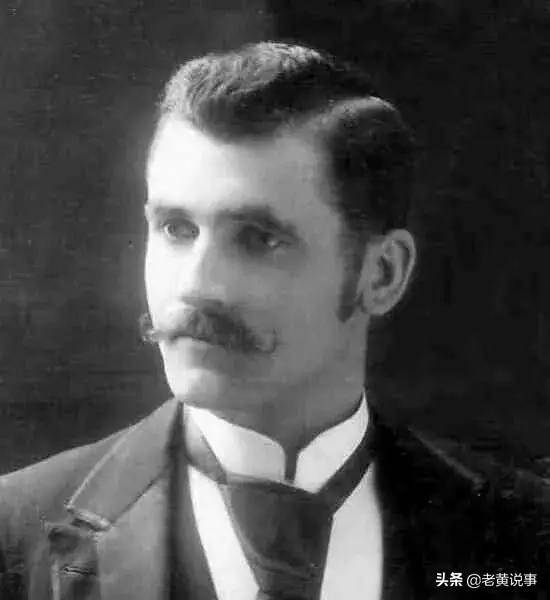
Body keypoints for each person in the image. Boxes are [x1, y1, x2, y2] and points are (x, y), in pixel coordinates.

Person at [0, 41, 548, 600]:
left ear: (382, 274)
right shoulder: (15, 537)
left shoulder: (525, 537)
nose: (195, 285)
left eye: (259, 239)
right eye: (175, 229)